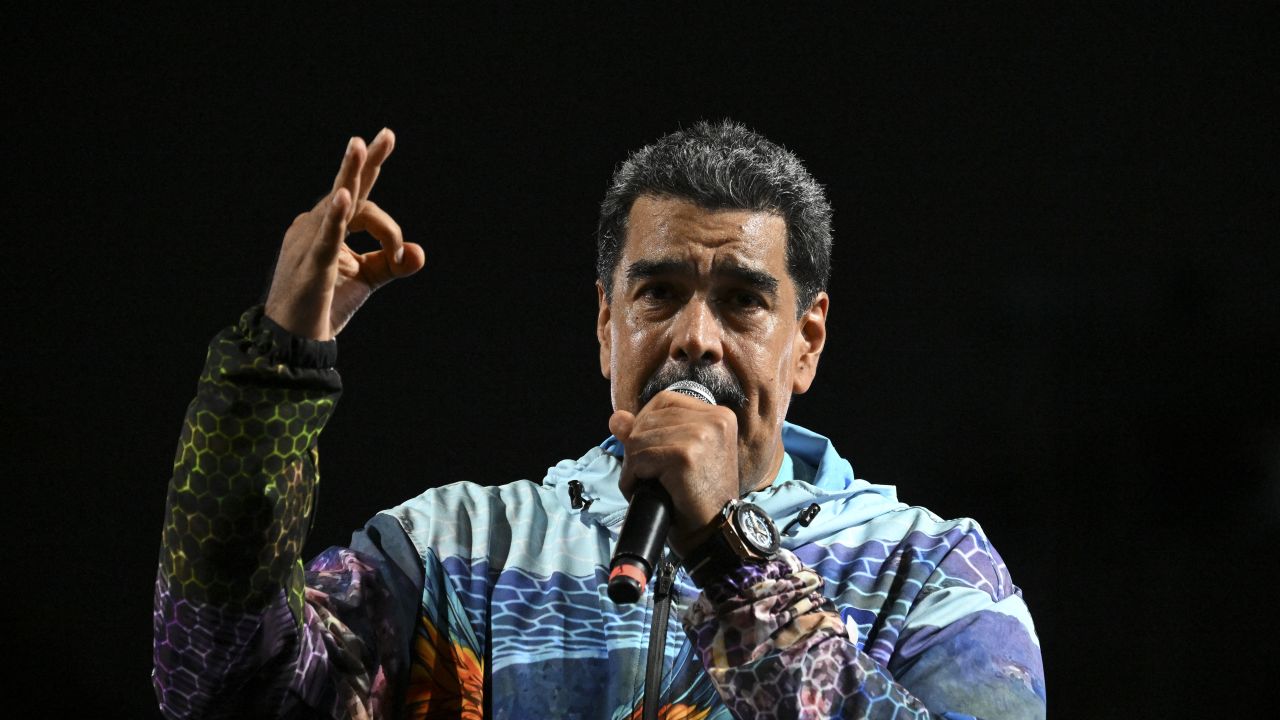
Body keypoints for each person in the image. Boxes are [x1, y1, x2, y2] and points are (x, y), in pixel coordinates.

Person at [153, 121, 1046, 719]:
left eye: (741, 301)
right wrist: (276, 370)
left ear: (805, 343)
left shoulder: (930, 571)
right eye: (659, 292)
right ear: (605, 323)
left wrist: (729, 558)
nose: (694, 338)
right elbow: (219, 684)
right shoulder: (461, 555)